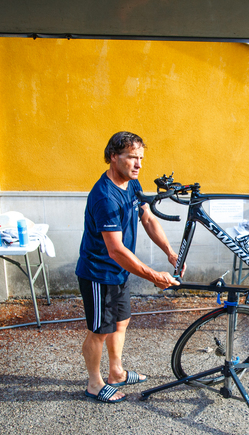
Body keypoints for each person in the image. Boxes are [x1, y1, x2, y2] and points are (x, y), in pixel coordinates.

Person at [76, 131, 182, 403]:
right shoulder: (104, 197)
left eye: (141, 158)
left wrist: (170, 252)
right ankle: (94, 384)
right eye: (132, 157)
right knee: (99, 330)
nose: (139, 164)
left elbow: (147, 219)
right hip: (99, 273)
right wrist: (153, 276)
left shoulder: (132, 184)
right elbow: (116, 250)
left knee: (121, 322)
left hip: (120, 271)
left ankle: (116, 373)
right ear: (113, 157)